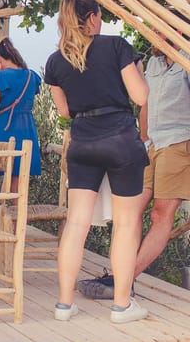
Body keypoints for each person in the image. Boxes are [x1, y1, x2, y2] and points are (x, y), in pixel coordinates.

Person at [44, 0, 149, 324]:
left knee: (77, 223)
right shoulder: (116, 46)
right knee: (127, 223)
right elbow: (141, 96)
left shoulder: (55, 61)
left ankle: (64, 304)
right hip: (119, 138)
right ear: (91, 18)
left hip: (82, 142)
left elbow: (63, 111)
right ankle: (121, 306)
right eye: (99, 16)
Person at [78, 34, 190, 299]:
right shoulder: (153, 63)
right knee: (129, 210)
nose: (158, 39)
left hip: (180, 142)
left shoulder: (186, 61)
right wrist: (142, 138)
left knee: (160, 215)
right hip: (152, 143)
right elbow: (146, 103)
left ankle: (123, 280)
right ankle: (122, 276)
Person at [0, 38, 42, 192]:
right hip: (27, 127)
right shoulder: (31, 76)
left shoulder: (1, 77)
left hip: (4, 127)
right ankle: (16, 212)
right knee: (18, 172)